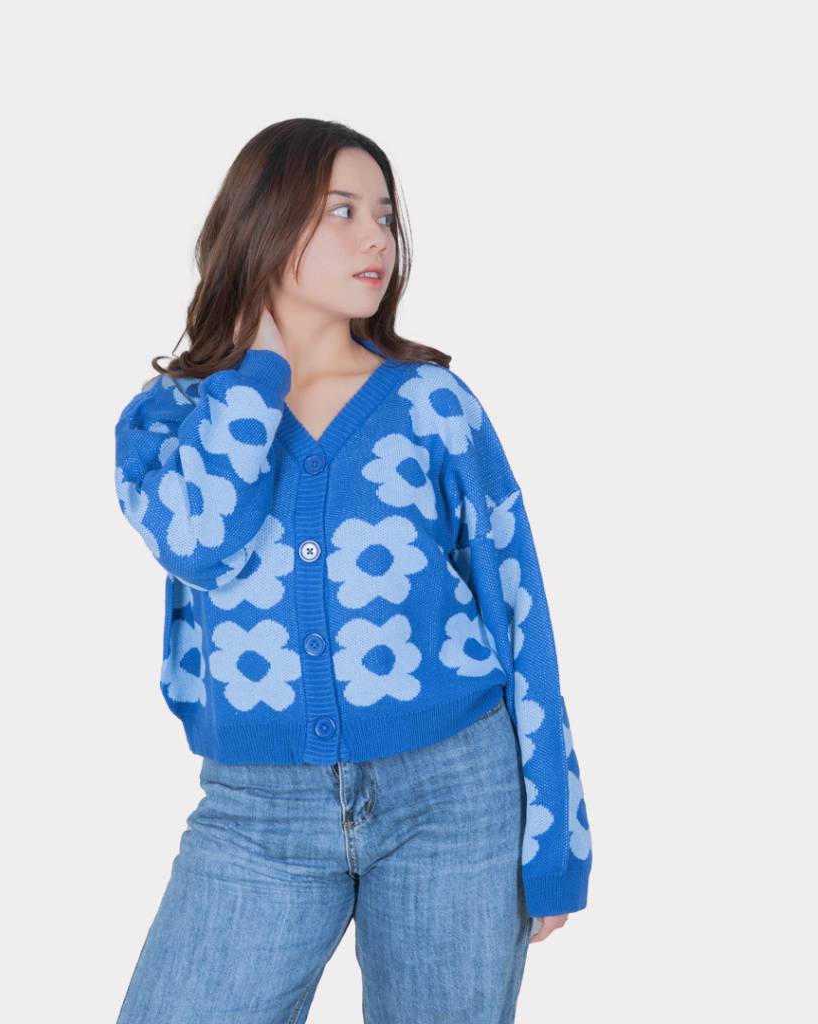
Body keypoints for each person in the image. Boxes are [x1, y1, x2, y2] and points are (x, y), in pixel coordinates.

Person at [112, 117, 592, 1024]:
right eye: (342, 211)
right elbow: (199, 543)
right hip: (256, 811)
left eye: (385, 215)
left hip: (456, 794)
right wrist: (256, 374)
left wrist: (557, 834)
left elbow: (518, 611)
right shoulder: (172, 417)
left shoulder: (434, 406)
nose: (377, 237)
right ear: (262, 222)